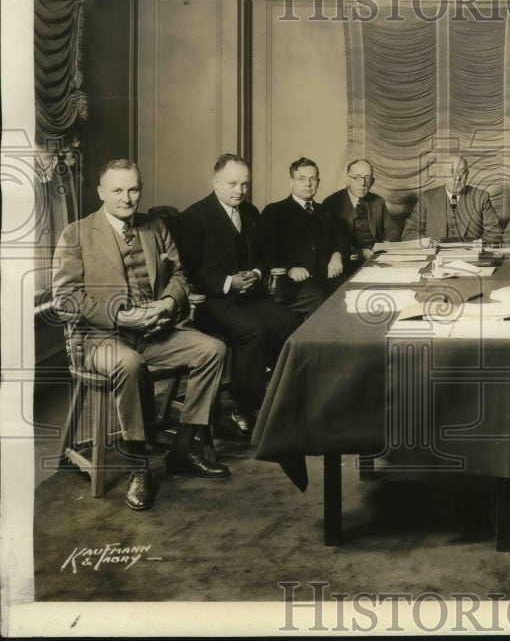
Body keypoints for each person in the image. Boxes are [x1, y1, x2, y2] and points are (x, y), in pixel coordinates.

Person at [52, 159, 230, 512]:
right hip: (101, 339)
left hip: (156, 333)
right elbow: (65, 298)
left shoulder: (155, 226)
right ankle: (139, 467)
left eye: (133, 189)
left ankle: (182, 449)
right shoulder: (77, 233)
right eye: (117, 190)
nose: (126, 198)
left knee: (214, 349)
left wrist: (167, 302)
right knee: (130, 364)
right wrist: (120, 315)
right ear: (102, 192)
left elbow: (180, 276)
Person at [174, 154, 298, 438]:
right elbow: (189, 270)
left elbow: (266, 254)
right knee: (253, 332)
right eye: (232, 184)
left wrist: (255, 271)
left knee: (288, 321)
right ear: (215, 181)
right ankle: (244, 409)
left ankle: (282, 401)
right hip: (211, 302)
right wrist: (229, 281)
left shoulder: (251, 213)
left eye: (244, 184)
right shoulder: (194, 217)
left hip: (249, 297)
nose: (239, 191)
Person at [258, 157, 349, 317]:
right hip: (292, 281)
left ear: (318, 182)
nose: (308, 184)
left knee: (352, 295)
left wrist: (337, 255)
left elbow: (341, 239)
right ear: (291, 182)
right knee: (322, 302)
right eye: (301, 179)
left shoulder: (325, 211)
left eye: (312, 179)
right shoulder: (274, 211)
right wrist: (289, 268)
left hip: (326, 277)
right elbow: (266, 250)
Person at [322, 158, 399, 276]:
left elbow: (393, 229)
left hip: (376, 260)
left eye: (367, 178)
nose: (363, 183)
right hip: (347, 262)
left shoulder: (377, 201)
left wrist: (384, 245)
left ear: (372, 181)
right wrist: (357, 252)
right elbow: (329, 242)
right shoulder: (332, 203)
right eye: (357, 177)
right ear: (348, 180)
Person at [401, 154, 501, 243]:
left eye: (462, 172)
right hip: (436, 257)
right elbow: (408, 232)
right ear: (443, 175)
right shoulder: (427, 198)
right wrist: (427, 243)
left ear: (467, 175)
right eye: (452, 172)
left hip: (469, 258)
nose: (457, 178)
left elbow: (494, 233)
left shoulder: (481, 197)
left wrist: (478, 247)